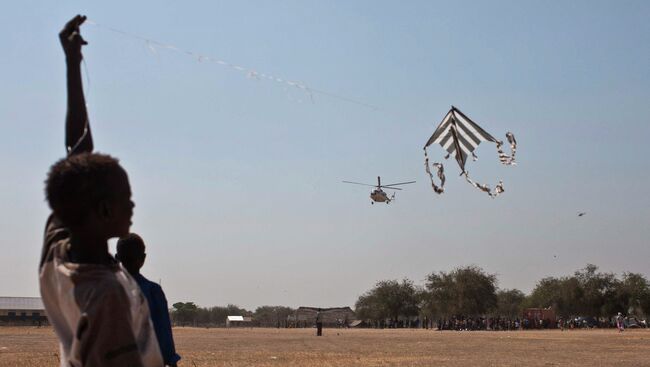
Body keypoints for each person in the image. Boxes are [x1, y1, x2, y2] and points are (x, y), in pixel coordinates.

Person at [40, 15, 163, 366]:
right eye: (126, 197)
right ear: (103, 210)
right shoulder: (106, 297)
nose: (134, 203)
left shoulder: (58, 250)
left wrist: (72, 64)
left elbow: (78, 153)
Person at [117, 234, 181, 367]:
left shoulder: (105, 291)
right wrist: (171, 361)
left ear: (117, 258)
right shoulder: (153, 291)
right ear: (143, 259)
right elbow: (163, 333)